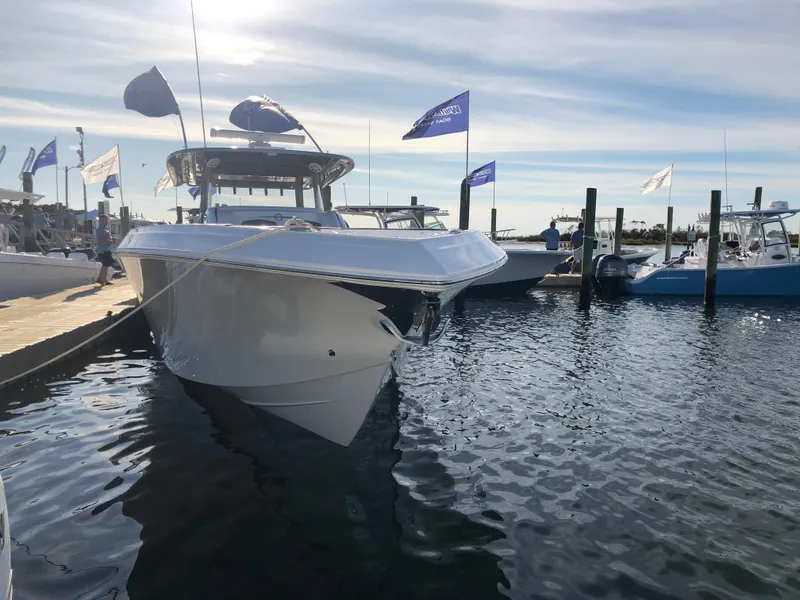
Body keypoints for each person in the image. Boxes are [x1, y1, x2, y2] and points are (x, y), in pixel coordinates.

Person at [95, 214, 115, 286]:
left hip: (105, 249)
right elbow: (103, 239)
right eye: (105, 220)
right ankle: (104, 280)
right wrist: (112, 242)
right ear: (101, 220)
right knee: (106, 265)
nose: (107, 221)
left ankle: (100, 278)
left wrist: (110, 240)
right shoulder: (101, 229)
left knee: (104, 264)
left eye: (107, 220)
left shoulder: (104, 228)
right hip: (103, 250)